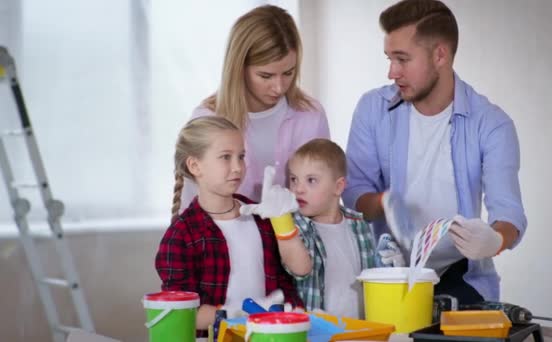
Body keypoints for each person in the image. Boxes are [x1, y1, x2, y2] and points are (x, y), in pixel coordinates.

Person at [343, 0, 527, 304]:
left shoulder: (492, 124)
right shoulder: (372, 109)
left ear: (440, 54)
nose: (391, 72)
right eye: (389, 58)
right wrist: (383, 202)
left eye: (402, 59)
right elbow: (353, 197)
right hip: (387, 270)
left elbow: (509, 213)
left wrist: (494, 241)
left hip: (460, 275)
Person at [155, 116, 307, 333]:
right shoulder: (181, 235)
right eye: (225, 157)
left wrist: (282, 220)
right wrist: (234, 314)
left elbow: (300, 270)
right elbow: (180, 313)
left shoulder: (261, 215)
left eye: (241, 156)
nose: (238, 167)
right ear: (195, 165)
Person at [180, 4, 330, 211]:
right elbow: (191, 209)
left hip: (298, 241)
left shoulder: (311, 115)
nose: (279, 87)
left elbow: (324, 200)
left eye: (288, 73)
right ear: (239, 68)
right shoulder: (206, 120)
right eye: (266, 76)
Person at [284, 138, 403, 318]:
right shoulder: (295, 228)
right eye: (294, 179)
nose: (298, 189)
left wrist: (390, 268)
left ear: (338, 186)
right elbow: (298, 269)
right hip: (315, 332)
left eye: (311, 180)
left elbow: (370, 273)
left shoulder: (358, 224)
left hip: (360, 329)